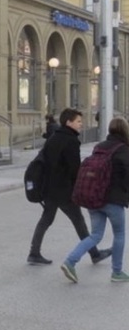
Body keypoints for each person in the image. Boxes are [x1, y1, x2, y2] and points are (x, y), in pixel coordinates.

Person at [27, 107, 112, 265]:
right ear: (69, 122)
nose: (81, 124)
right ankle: (94, 254)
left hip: (50, 189)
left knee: (46, 220)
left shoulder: (54, 137)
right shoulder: (71, 140)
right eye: (78, 121)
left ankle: (34, 252)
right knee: (78, 221)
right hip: (64, 191)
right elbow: (75, 169)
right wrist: (79, 188)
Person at [61, 117, 129, 283]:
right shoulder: (124, 150)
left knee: (95, 235)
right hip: (113, 200)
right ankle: (117, 272)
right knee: (119, 234)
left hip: (93, 198)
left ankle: (70, 261)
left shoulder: (100, 147)